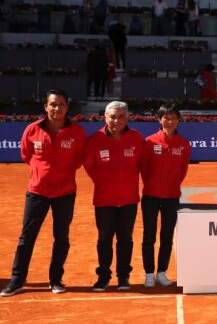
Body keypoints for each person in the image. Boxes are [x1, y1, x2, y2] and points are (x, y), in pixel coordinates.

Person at [0, 90, 86, 297]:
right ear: (45, 107)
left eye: (61, 105)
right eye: (53, 104)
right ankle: (17, 280)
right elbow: (26, 155)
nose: (57, 108)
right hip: (37, 192)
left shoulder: (77, 132)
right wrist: (42, 174)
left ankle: (56, 279)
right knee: (26, 238)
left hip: (65, 193)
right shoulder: (32, 130)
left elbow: (79, 160)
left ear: (67, 107)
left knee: (61, 238)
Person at [84, 101, 143, 291]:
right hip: (104, 200)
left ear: (127, 118)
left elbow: (142, 165)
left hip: (129, 199)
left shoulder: (136, 138)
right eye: (112, 116)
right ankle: (103, 277)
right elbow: (90, 167)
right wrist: (104, 183)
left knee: (126, 239)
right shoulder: (94, 140)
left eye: (120, 116)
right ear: (105, 117)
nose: (116, 120)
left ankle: (123, 277)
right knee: (104, 239)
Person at [140, 103, 190, 287]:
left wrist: (172, 185)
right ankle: (148, 274)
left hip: (171, 196)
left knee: (167, 236)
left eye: (173, 118)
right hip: (150, 196)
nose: (169, 121)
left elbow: (183, 169)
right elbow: (144, 168)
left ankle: (162, 272)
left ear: (178, 120)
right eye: (165, 118)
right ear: (159, 120)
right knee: (149, 236)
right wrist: (153, 185)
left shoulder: (184, 144)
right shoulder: (150, 141)